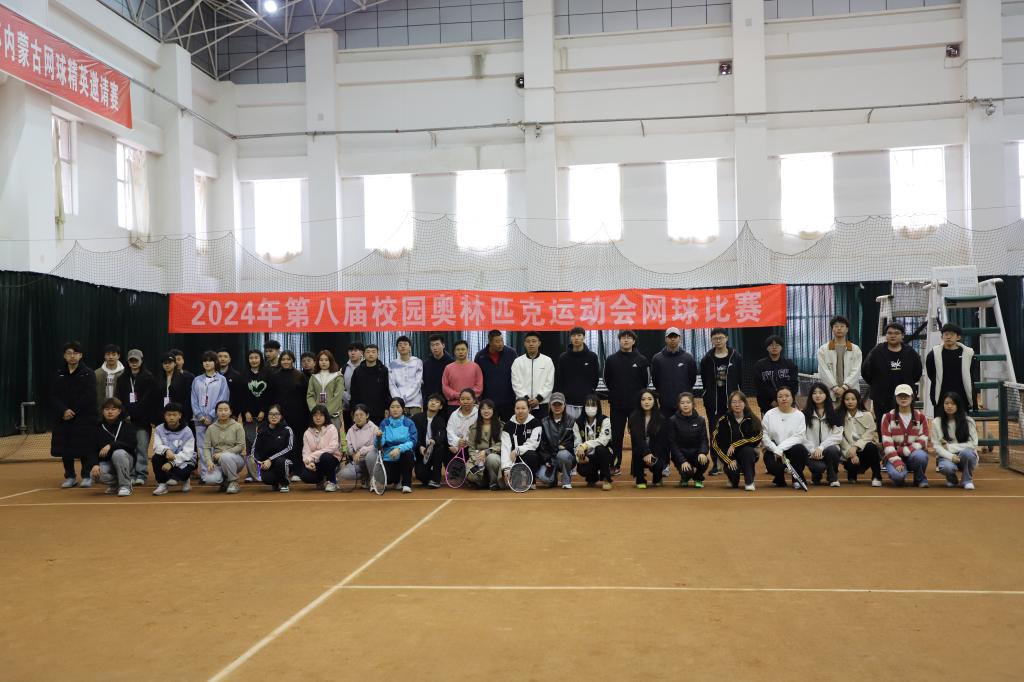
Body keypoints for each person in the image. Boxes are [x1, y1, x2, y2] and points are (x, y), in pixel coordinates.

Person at [52, 341, 100, 488]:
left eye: (75, 353)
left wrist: (73, 411)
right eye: (69, 353)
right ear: (64, 356)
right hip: (64, 417)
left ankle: (86, 476)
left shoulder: (88, 373)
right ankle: (70, 476)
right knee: (65, 448)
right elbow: (53, 395)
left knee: (85, 446)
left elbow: (89, 395)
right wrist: (64, 410)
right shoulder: (58, 373)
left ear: (81, 356)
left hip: (84, 417)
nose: (72, 356)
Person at [603, 329, 650, 476]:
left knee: (637, 437)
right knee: (616, 437)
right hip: (617, 405)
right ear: (619, 340)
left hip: (636, 407)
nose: (626, 340)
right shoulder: (611, 360)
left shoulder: (641, 360)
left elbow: (646, 381)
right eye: (623, 337)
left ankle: (637, 468)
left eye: (629, 338)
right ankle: (615, 465)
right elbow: (606, 380)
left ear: (633, 341)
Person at [862, 322, 923, 431]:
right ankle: (884, 441)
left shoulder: (910, 353)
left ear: (902, 335)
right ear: (886, 335)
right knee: (883, 425)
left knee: (905, 424)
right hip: (881, 397)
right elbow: (866, 371)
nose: (892, 335)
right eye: (889, 333)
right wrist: (876, 384)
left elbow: (917, 373)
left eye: (896, 333)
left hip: (904, 396)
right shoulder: (876, 352)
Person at [699, 327, 743, 476]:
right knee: (715, 433)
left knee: (735, 432)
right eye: (715, 338)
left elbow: (740, 378)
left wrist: (738, 397)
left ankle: (736, 462)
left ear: (726, 338)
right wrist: (708, 395)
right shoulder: (706, 359)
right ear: (711, 340)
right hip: (714, 404)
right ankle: (717, 464)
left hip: (733, 403)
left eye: (721, 338)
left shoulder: (736, 356)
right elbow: (705, 381)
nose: (718, 341)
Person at [115, 348, 155, 486]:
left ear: (141, 361)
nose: (134, 363)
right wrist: (125, 414)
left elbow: (149, 399)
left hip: (143, 421)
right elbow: (119, 399)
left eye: (136, 360)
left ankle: (141, 474)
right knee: (129, 448)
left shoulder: (149, 378)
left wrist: (138, 412)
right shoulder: (122, 379)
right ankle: (131, 474)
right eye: (131, 360)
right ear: (128, 362)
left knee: (142, 448)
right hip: (127, 421)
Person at [879, 384, 930, 488]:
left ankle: (920, 479)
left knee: (921, 456)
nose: (903, 398)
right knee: (898, 478)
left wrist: (905, 450)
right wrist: (897, 461)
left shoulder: (921, 417)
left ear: (912, 397)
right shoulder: (887, 417)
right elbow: (887, 443)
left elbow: (923, 440)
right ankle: (899, 474)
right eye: (900, 396)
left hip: (913, 454)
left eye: (906, 396)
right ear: (895, 398)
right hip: (893, 456)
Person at [711, 390, 762, 491]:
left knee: (748, 451)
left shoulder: (752, 419)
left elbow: (757, 437)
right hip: (730, 456)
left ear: (745, 403)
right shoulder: (723, 420)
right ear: (730, 404)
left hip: (747, 454)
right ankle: (732, 479)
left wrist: (735, 444)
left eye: (740, 402)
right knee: (733, 480)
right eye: (734, 402)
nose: (737, 405)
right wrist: (728, 460)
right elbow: (715, 443)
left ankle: (749, 481)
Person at [191, 350, 231, 481]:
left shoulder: (222, 380)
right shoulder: (197, 380)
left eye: (210, 361)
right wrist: (200, 415)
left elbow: (223, 399)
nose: (207, 363)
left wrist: (210, 416)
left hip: (216, 419)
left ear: (215, 363)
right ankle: (205, 475)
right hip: (199, 420)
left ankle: (217, 474)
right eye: (205, 361)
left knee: (216, 447)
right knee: (202, 448)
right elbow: (193, 399)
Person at [761, 385, 810, 489]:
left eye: (787, 396)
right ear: (776, 399)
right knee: (773, 467)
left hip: (792, 450)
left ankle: (796, 479)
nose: (784, 399)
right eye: (780, 396)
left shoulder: (799, 415)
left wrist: (781, 448)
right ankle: (779, 478)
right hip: (774, 450)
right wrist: (776, 449)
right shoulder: (769, 414)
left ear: (792, 398)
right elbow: (764, 436)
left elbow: (799, 437)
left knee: (800, 450)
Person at [925, 323, 979, 412]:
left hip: (962, 396)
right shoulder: (933, 354)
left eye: (952, 334)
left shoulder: (968, 353)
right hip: (941, 397)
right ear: (942, 337)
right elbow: (931, 374)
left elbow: (971, 373)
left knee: (961, 420)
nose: (948, 337)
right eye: (946, 334)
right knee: (941, 421)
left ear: (958, 337)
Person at [932, 391, 978, 490]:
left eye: (953, 403)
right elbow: (937, 446)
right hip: (946, 456)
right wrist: (951, 456)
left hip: (964, 455)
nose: (949, 406)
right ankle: (951, 478)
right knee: (946, 467)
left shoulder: (969, 421)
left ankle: (967, 480)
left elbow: (973, 444)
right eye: (946, 403)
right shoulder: (936, 422)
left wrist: (950, 447)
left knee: (968, 454)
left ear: (958, 405)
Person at [92, 397, 138, 497]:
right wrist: (95, 464)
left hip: (125, 460)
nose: (110, 412)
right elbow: (92, 449)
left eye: (113, 409)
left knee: (118, 453)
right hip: (107, 462)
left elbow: (132, 445)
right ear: (103, 411)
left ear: (119, 411)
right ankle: (118, 483)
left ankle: (125, 486)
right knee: (94, 475)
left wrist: (111, 445)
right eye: (107, 409)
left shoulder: (127, 425)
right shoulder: (98, 427)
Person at [801, 382, 844, 487]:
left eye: (821, 393)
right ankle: (816, 474)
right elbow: (801, 436)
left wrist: (821, 447)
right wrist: (812, 450)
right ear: (811, 396)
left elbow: (837, 436)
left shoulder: (835, 414)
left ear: (826, 395)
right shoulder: (804, 414)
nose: (817, 395)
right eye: (814, 393)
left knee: (833, 450)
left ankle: (832, 477)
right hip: (811, 452)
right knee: (819, 468)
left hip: (827, 450)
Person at [239, 349, 272, 481]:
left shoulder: (268, 373)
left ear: (260, 359)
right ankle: (251, 473)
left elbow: (270, 394)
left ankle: (263, 471)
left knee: (264, 442)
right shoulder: (243, 374)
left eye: (256, 357)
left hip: (265, 414)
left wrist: (264, 410)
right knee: (250, 444)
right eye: (251, 358)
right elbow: (241, 395)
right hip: (248, 416)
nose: (254, 360)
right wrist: (246, 411)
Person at [651, 327, 698, 421]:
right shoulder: (657, 358)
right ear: (665, 339)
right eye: (670, 337)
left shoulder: (688, 358)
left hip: (683, 404)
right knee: (666, 429)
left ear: (680, 338)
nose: (672, 339)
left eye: (675, 336)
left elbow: (692, 379)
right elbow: (655, 380)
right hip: (665, 404)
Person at [151, 402, 197, 496]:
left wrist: (171, 463)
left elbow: (187, 454)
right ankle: (162, 484)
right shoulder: (159, 429)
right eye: (169, 415)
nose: (171, 417)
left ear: (180, 415)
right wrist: (167, 450)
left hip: (184, 460)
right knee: (156, 458)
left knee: (177, 477)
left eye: (174, 415)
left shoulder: (187, 431)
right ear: (164, 416)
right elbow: (156, 446)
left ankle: (185, 480)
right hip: (167, 456)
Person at [839, 388, 882, 487]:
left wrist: (856, 447)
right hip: (849, 450)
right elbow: (840, 437)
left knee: (871, 447)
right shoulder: (840, 416)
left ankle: (876, 476)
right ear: (843, 401)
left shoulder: (867, 415)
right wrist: (851, 452)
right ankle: (852, 475)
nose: (850, 402)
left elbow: (870, 433)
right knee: (851, 464)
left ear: (858, 400)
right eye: (847, 399)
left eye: (853, 399)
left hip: (864, 448)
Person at [555, 326, 600, 421]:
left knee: (586, 427)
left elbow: (595, 377)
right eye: (573, 336)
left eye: (579, 335)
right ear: (570, 338)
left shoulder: (592, 357)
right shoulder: (563, 358)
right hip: (568, 402)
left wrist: (590, 392)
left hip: (587, 401)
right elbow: (559, 378)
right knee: (569, 428)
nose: (576, 338)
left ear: (584, 337)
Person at [817, 315, 863, 406]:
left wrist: (844, 387)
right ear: (832, 329)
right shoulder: (823, 349)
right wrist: (835, 388)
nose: (839, 329)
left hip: (850, 393)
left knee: (851, 414)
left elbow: (856, 371)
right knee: (831, 414)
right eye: (836, 326)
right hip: (831, 392)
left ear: (847, 329)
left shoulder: (855, 349)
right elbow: (823, 371)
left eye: (842, 326)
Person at [668, 392, 710, 488]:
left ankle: (698, 477)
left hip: (695, 454)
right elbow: (672, 443)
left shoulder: (701, 420)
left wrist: (702, 452)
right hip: (681, 455)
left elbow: (704, 439)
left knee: (705, 461)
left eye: (688, 402)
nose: (685, 405)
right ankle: (685, 478)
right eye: (682, 403)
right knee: (687, 473)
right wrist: (682, 461)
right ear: (679, 405)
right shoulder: (673, 420)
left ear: (693, 404)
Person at [203, 400, 246, 494]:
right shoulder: (211, 428)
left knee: (225, 457)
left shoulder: (237, 426)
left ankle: (233, 482)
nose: (223, 412)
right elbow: (206, 447)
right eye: (220, 410)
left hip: (236, 459)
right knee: (210, 479)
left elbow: (241, 446)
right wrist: (209, 461)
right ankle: (225, 481)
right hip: (217, 461)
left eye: (226, 410)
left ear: (230, 412)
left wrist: (222, 454)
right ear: (216, 412)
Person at [374, 397, 416, 493]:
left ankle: (406, 484)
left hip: (403, 454)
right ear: (389, 409)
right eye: (392, 407)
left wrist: (399, 449)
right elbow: (378, 446)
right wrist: (378, 437)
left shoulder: (409, 423)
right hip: (389, 456)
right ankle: (397, 479)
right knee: (387, 479)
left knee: (408, 454)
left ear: (403, 409)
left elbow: (412, 442)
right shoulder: (384, 423)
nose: (395, 409)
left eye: (398, 407)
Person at [628, 389, 669, 489]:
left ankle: (657, 477)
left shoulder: (661, 418)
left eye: (650, 399)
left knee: (658, 464)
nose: (646, 402)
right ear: (639, 401)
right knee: (637, 452)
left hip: (655, 452)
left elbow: (661, 442)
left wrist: (653, 456)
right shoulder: (633, 417)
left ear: (654, 401)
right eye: (643, 399)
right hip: (641, 452)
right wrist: (646, 452)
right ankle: (640, 479)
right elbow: (637, 440)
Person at [511, 331, 555, 421]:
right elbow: (516, 383)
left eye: (534, 341)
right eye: (528, 341)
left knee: (542, 428)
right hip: (522, 405)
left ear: (539, 343)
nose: (531, 344)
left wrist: (538, 399)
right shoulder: (517, 362)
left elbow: (549, 383)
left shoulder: (547, 361)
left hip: (542, 404)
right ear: (524, 344)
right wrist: (526, 399)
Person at [298, 404, 343, 492]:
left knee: (325, 456)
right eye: (315, 415)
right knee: (304, 476)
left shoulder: (332, 428)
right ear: (312, 417)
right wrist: (309, 463)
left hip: (332, 459)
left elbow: (332, 448)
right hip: (315, 462)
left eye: (321, 415)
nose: (318, 418)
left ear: (326, 416)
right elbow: (305, 452)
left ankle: (332, 481)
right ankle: (321, 480)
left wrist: (313, 456)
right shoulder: (307, 433)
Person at [270, 350, 311, 447]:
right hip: (280, 414)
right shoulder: (275, 376)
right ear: (280, 361)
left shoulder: (300, 376)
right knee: (281, 440)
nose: (286, 361)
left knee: (298, 439)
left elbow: (306, 396)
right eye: (283, 359)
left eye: (288, 359)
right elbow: (272, 396)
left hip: (298, 414)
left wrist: (307, 415)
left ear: (293, 360)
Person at [250, 405, 296, 492]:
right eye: (271, 414)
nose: (273, 417)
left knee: (281, 462)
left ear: (281, 416)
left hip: (285, 462)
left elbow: (290, 448)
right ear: (267, 416)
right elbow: (254, 449)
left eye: (276, 414)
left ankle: (284, 483)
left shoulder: (287, 430)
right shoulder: (262, 430)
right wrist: (260, 462)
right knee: (267, 479)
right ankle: (276, 482)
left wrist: (271, 459)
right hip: (267, 464)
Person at [573, 394, 613, 490]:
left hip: (605, 454)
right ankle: (592, 477)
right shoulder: (577, 423)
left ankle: (606, 479)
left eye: (593, 405)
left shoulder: (605, 420)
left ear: (598, 407)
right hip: (588, 457)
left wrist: (585, 445)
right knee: (582, 469)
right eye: (588, 405)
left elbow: (603, 440)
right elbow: (576, 443)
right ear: (584, 407)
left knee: (600, 449)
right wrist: (579, 457)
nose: (590, 408)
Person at [501, 397, 543, 488]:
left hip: (529, 458)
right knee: (508, 485)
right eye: (517, 408)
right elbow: (505, 448)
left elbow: (533, 444)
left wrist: (517, 450)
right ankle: (516, 476)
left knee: (531, 455)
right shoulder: (508, 426)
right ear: (514, 409)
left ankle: (531, 480)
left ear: (529, 409)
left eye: (523, 408)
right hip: (512, 459)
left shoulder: (535, 423)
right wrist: (506, 468)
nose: (520, 411)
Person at [474, 330, 518, 419]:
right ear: (490, 342)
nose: (500, 344)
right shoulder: (480, 356)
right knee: (490, 425)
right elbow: (477, 378)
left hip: (509, 400)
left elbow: (517, 375)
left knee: (508, 425)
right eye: (497, 341)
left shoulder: (511, 353)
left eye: (502, 340)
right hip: (488, 401)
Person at [537, 392, 576, 489]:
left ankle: (566, 480)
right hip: (551, 459)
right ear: (550, 405)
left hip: (566, 456)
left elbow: (575, 441)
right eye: (554, 404)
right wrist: (547, 460)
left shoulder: (572, 420)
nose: (557, 407)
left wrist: (566, 446)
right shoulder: (544, 422)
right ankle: (553, 478)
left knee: (563, 455)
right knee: (544, 478)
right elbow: (542, 444)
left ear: (564, 405)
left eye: (560, 404)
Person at [753, 335, 799, 416]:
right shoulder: (759, 365)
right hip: (767, 405)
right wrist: (774, 400)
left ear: (781, 347)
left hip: (787, 404)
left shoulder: (790, 364)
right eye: (771, 345)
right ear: (767, 348)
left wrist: (783, 399)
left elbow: (794, 384)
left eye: (777, 345)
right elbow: (759, 386)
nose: (774, 347)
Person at [466, 399, 504, 490]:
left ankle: (494, 483)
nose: (486, 411)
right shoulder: (473, 428)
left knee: (492, 459)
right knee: (471, 475)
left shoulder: (501, 426)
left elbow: (502, 444)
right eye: (483, 409)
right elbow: (471, 448)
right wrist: (477, 459)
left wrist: (487, 452)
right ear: (479, 411)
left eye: (489, 408)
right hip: (479, 458)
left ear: (493, 410)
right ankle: (484, 482)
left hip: (494, 455)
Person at [349, 343, 392, 424]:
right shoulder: (358, 371)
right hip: (361, 412)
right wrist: (354, 409)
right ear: (363, 354)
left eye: (373, 352)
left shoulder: (383, 370)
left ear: (378, 354)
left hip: (379, 411)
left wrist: (387, 408)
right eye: (368, 352)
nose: (371, 354)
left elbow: (386, 391)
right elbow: (354, 392)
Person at [412, 393, 448, 488]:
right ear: (427, 403)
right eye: (431, 400)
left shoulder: (441, 420)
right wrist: (420, 446)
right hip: (421, 451)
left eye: (437, 402)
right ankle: (429, 477)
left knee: (439, 448)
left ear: (440, 407)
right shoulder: (416, 418)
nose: (433, 403)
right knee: (420, 474)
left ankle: (436, 480)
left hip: (435, 450)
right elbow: (414, 435)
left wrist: (434, 440)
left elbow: (441, 434)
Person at [307, 349, 345, 434]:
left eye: (326, 360)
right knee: (318, 439)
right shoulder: (313, 377)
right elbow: (310, 396)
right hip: (317, 417)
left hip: (333, 416)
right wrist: (316, 412)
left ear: (331, 361)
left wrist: (325, 413)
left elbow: (338, 397)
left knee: (333, 439)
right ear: (317, 362)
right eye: (321, 360)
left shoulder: (338, 376)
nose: (323, 362)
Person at [341, 404, 377, 489]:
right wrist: (351, 453)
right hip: (358, 461)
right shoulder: (350, 431)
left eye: (361, 415)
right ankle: (364, 476)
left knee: (370, 456)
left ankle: (372, 479)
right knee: (344, 473)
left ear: (367, 415)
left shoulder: (374, 428)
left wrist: (361, 451)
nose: (358, 417)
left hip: (371, 459)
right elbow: (348, 446)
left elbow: (375, 446)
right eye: (356, 415)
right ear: (353, 417)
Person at [156, 352, 193, 431]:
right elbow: (155, 399)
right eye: (165, 363)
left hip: (179, 416)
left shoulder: (183, 378)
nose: (167, 365)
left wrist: (186, 417)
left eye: (170, 363)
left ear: (175, 364)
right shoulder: (158, 379)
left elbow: (187, 399)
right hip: (162, 416)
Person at [442, 339, 483, 408]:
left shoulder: (475, 367)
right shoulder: (448, 368)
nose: (460, 352)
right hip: (453, 405)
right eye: (458, 350)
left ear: (467, 350)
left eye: (463, 349)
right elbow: (445, 386)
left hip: (471, 404)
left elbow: (479, 386)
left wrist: (466, 396)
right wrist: (457, 395)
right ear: (454, 352)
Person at [389, 335, 424, 416]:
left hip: (415, 402)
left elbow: (417, 383)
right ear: (397, 348)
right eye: (400, 345)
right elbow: (392, 384)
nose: (403, 346)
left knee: (415, 423)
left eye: (405, 344)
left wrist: (404, 398)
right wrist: (398, 400)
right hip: (398, 404)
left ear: (410, 347)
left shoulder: (417, 362)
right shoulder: (392, 364)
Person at [421, 334, 453, 410]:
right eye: (432, 345)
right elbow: (424, 384)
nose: (435, 348)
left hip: (447, 402)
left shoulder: (451, 363)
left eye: (437, 344)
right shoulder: (426, 364)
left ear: (443, 345)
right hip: (430, 402)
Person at [447, 388, 479, 456]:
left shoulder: (479, 413)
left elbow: (479, 432)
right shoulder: (454, 414)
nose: (465, 401)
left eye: (468, 399)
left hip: (474, 446)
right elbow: (450, 431)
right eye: (462, 399)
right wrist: (457, 441)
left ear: (474, 400)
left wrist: (465, 441)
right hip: (456, 445)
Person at [95, 344, 125, 408]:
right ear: (104, 356)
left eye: (114, 354)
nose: (111, 357)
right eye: (108, 354)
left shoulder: (124, 373)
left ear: (118, 356)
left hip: (119, 409)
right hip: (101, 408)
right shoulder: (97, 373)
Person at [342, 341, 365, 427]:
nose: (352, 353)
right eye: (350, 350)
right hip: (347, 408)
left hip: (364, 407)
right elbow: (340, 387)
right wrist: (348, 399)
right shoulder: (344, 368)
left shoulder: (366, 366)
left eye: (355, 350)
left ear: (362, 352)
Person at [216, 348, 243, 416]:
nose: (222, 359)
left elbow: (239, 397)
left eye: (225, 357)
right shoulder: (212, 374)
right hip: (214, 412)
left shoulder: (236, 376)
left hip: (230, 413)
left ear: (229, 359)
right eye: (220, 356)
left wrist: (235, 413)